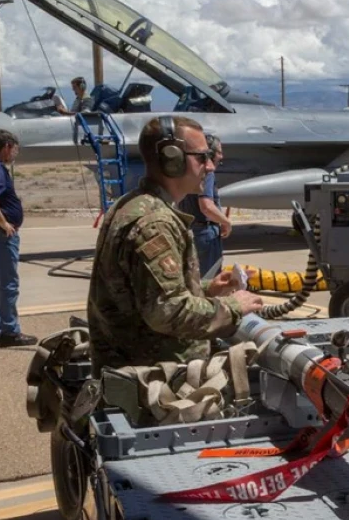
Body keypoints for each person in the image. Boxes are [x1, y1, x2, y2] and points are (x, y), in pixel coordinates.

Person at [87, 115, 264, 376]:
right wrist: (234, 307)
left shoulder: (135, 205)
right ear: (173, 160)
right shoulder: (154, 222)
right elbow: (167, 311)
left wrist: (207, 289)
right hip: (152, 381)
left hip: (141, 373)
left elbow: (146, 293)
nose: (211, 167)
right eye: (202, 157)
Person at [0, 129, 37, 347]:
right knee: (8, 283)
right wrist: (3, 222)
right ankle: (10, 331)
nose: (16, 153)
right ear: (6, 146)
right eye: (15, 149)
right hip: (0, 236)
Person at [178, 134, 230, 276]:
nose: (221, 156)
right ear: (211, 153)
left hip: (190, 230)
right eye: (219, 152)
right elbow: (206, 206)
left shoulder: (187, 172)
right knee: (210, 278)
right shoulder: (207, 173)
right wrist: (226, 222)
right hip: (205, 234)